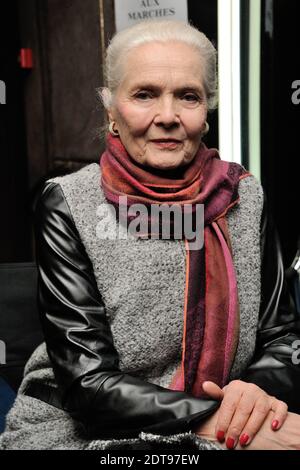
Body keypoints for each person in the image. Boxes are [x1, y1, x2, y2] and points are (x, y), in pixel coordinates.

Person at [1, 20, 300, 451]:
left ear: (207, 110)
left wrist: (251, 395)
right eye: (144, 94)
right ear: (111, 111)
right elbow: (89, 384)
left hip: (229, 420)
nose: (167, 116)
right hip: (82, 426)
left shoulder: (244, 196)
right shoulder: (67, 202)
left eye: (188, 96)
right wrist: (215, 422)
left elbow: (283, 337)